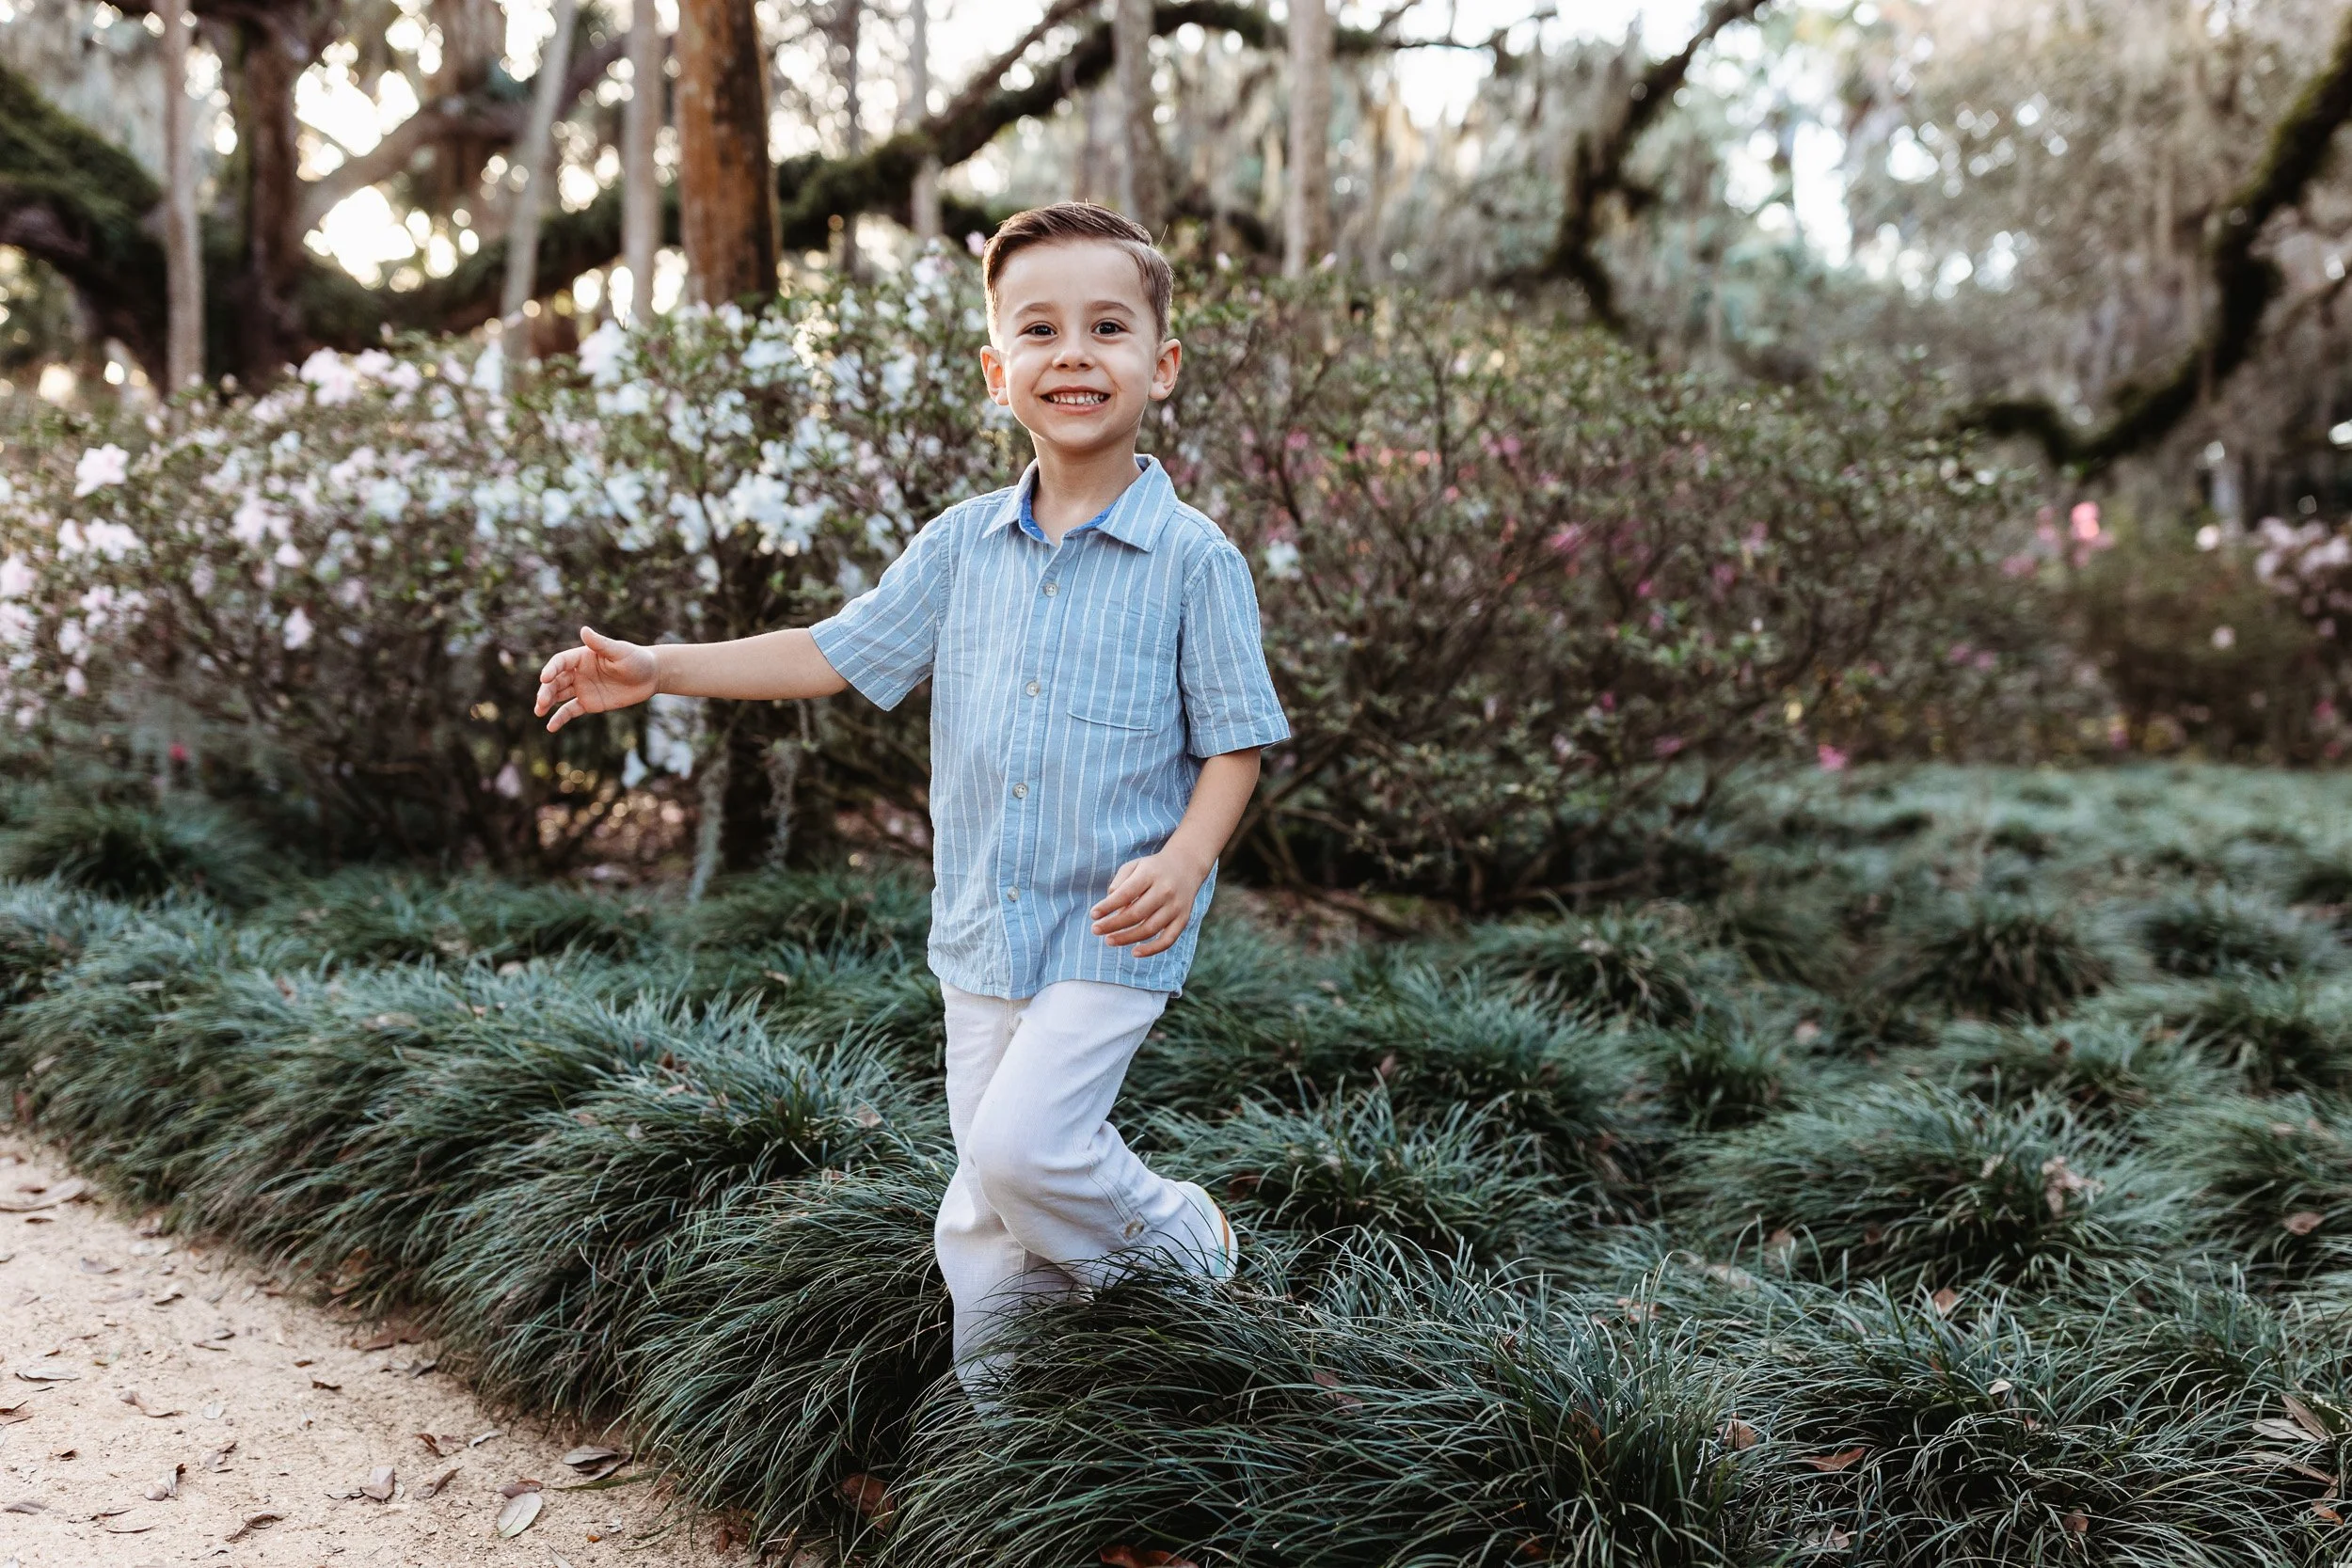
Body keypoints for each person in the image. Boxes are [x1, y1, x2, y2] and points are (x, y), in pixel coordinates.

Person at [532, 202, 1290, 1391]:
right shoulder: (960, 546)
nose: (1074, 354)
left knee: (1022, 1146)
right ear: (998, 373)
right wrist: (661, 666)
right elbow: (831, 651)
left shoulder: (1195, 557)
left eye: (1107, 326)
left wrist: (1187, 860)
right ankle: (1015, 1432)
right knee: (983, 1215)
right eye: (1038, 330)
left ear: (1163, 364)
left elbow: (1236, 743)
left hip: (1111, 920)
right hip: (981, 926)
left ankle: (1186, 1245)